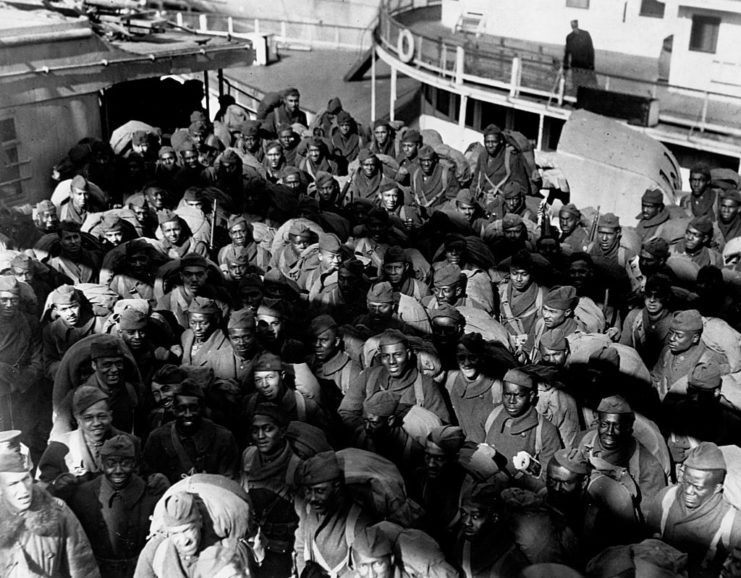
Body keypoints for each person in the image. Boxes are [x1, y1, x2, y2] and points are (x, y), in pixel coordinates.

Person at [69, 435, 166, 578]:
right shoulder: (83, 496)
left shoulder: (152, 495)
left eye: (125, 463)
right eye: (111, 463)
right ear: (102, 464)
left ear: (134, 464)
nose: (118, 470)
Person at [0, 451, 101, 578]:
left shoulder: (57, 511)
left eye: (26, 479)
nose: (24, 490)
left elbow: (83, 567)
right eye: (13, 484)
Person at [647, 442, 741, 578]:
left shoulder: (732, 524)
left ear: (717, 488)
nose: (688, 491)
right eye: (686, 482)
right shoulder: (666, 498)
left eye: (698, 487)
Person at [339, 329, 450, 432]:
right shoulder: (369, 376)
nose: (391, 361)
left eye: (397, 355)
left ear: (408, 354)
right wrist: (369, 430)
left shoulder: (425, 384)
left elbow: (440, 428)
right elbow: (346, 412)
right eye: (386, 356)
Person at [577, 395, 667, 522]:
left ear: (628, 428)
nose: (609, 431)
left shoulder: (647, 464)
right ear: (597, 422)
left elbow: (648, 518)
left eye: (617, 426)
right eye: (604, 424)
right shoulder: (583, 442)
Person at [240, 403, 302, 578]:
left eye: (268, 429)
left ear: (282, 432)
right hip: (251, 543)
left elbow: (304, 522)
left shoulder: (296, 467)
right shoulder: (249, 457)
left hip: (281, 550)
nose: (260, 436)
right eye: (255, 430)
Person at [142, 379, 239, 483]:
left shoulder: (223, 438)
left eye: (193, 408)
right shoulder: (158, 438)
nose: (188, 414)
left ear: (202, 408)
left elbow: (228, 481)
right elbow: (150, 477)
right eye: (181, 409)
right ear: (173, 409)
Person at [293, 451, 373, 578]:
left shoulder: (358, 521)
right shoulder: (308, 510)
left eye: (320, 491)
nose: (312, 498)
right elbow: (301, 548)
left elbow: (366, 570)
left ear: (337, 486)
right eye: (308, 491)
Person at [480, 368, 562, 490]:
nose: (511, 401)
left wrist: (525, 473)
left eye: (518, 395)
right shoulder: (492, 415)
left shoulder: (544, 430)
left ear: (531, 396)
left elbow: (549, 480)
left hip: (521, 497)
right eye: (507, 394)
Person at [134, 491, 250, 577]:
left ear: (200, 521)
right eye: (175, 533)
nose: (184, 540)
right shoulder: (156, 552)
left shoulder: (229, 550)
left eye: (187, 530)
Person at [452, 483, 528, 578]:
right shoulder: (463, 540)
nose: (467, 522)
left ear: (495, 517)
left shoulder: (512, 561)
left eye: (475, 516)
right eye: (464, 514)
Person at [652, 309, 726, 400]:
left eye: (679, 335)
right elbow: (656, 378)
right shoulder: (667, 351)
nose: (671, 338)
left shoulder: (707, 361)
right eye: (671, 333)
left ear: (695, 338)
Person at [563, 19, 596, 88]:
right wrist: (565, 64)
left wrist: (591, 65)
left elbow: (590, 50)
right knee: (577, 83)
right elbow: (567, 52)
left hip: (583, 65)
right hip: (577, 65)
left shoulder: (585, 34)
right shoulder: (570, 37)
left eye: (574, 24)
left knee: (582, 84)